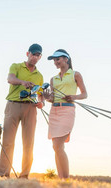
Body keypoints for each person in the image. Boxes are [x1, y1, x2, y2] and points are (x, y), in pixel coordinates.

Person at [0, 43, 44, 179]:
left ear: (40, 57)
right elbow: (10, 79)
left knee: (29, 142)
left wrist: (42, 102)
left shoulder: (39, 75)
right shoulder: (16, 66)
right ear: (27, 54)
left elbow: (40, 93)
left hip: (31, 108)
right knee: (8, 141)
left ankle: (24, 175)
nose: (35, 57)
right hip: (13, 105)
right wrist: (23, 82)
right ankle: (3, 174)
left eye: (38, 55)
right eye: (33, 54)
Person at [43, 49, 87, 179]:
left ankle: (65, 179)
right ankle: (61, 178)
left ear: (66, 59)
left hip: (67, 111)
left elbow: (85, 94)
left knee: (58, 145)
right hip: (54, 111)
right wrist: (47, 97)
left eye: (57, 59)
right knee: (56, 147)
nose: (55, 62)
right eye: (54, 60)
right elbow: (52, 98)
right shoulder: (53, 79)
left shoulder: (75, 75)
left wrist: (74, 97)